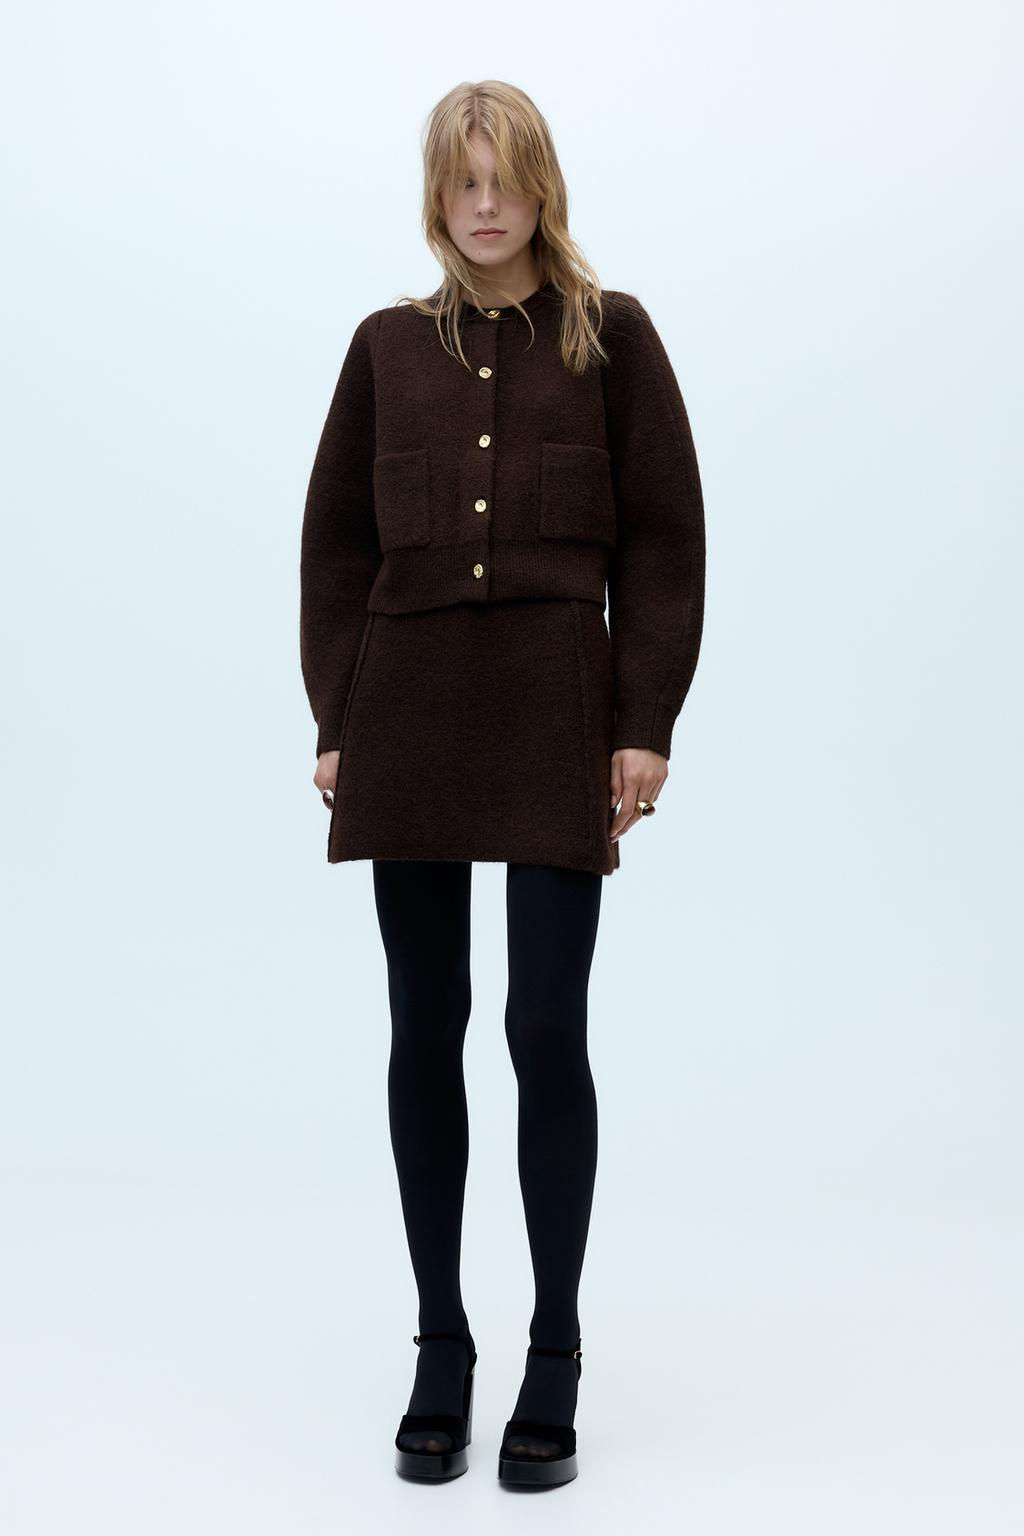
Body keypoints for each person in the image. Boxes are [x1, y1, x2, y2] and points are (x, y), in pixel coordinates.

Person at [299, 79, 706, 1488]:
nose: (487, 205)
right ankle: (441, 1341)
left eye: (508, 179)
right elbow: (336, 550)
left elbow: (665, 541)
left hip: (551, 715)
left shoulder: (612, 338)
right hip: (407, 717)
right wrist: (337, 719)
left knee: (543, 1027)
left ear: (544, 187)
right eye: (464, 181)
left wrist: (642, 722)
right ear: (437, 192)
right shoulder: (384, 348)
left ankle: (555, 1347)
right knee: (426, 1027)